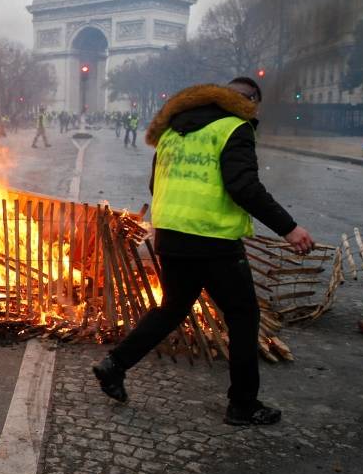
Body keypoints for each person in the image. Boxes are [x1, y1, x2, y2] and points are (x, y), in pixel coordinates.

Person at [92, 77, 315, 426]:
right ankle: (243, 405)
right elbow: (244, 186)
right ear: (248, 102)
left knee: (172, 308)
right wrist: (289, 228)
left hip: (170, 235)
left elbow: (156, 184)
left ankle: (115, 365)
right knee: (243, 316)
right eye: (253, 101)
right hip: (213, 239)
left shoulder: (172, 131)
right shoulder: (234, 128)